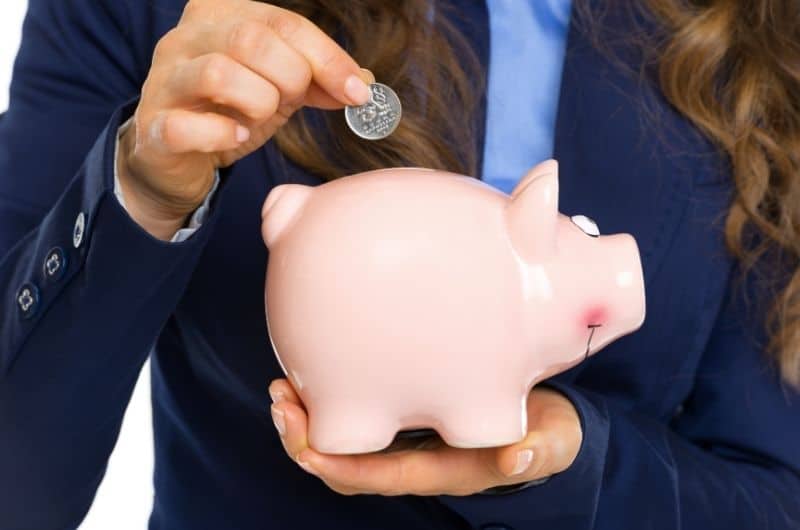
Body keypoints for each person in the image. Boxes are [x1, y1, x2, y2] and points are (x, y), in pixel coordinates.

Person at [1, 0, 798, 529]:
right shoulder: (166, 14)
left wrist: (579, 462)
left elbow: (775, 490)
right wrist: (138, 192)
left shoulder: (762, 30)